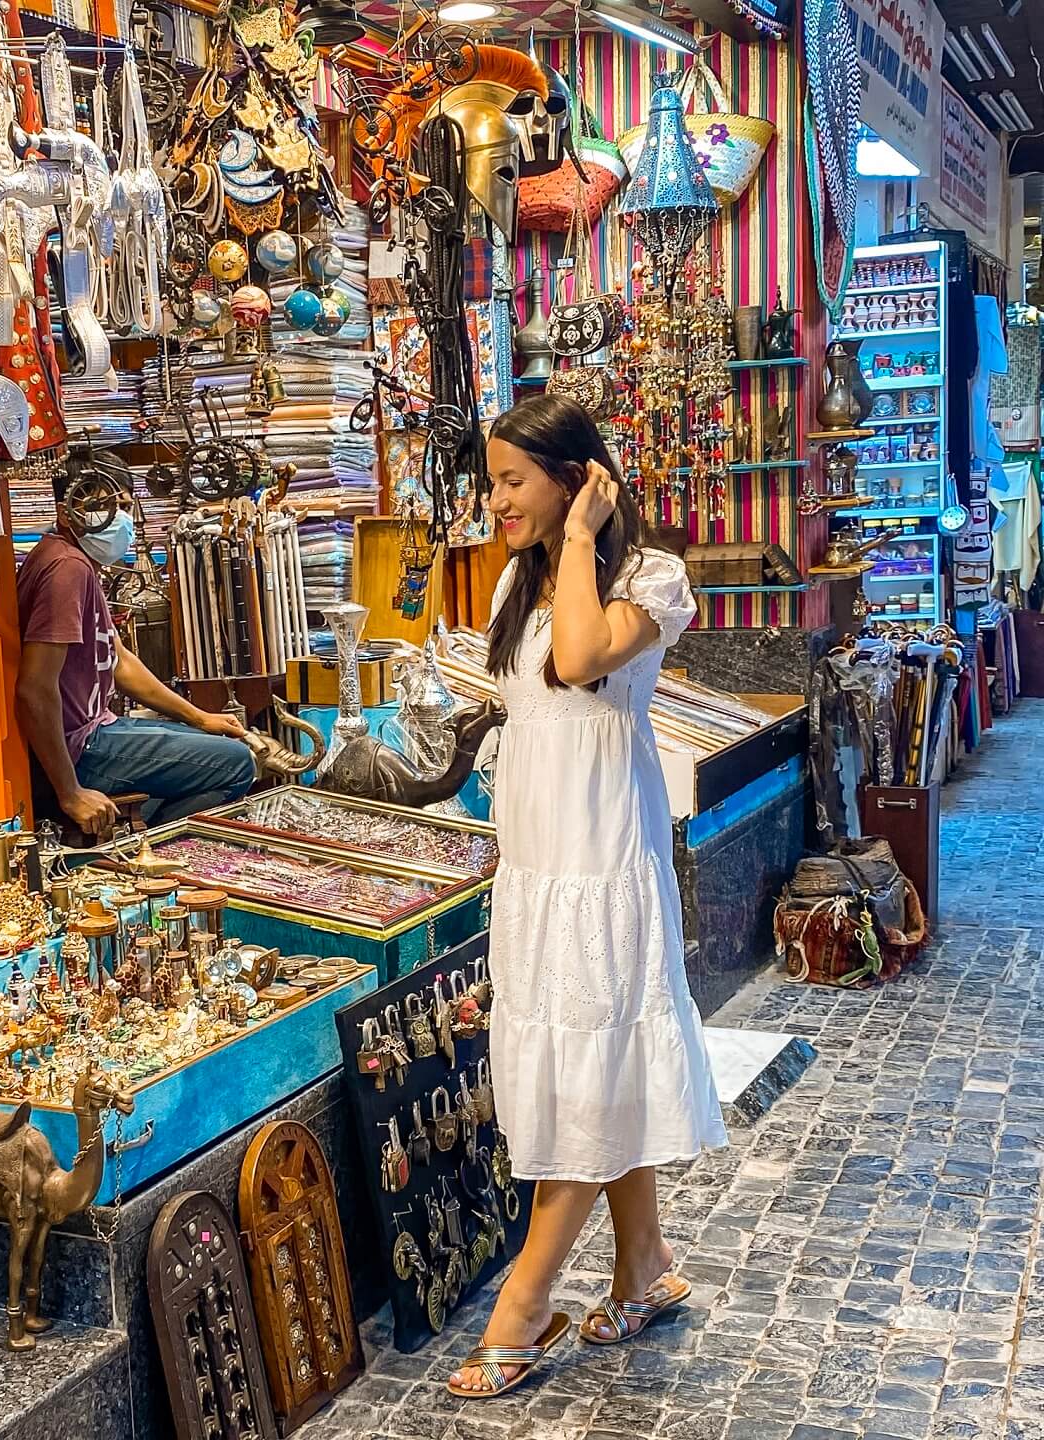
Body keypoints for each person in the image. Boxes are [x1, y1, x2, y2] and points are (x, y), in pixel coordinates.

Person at [449, 395, 726, 1399]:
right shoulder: (515, 588)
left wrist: (576, 539)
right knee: (587, 1053)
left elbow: (580, 662)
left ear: (580, 478)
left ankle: (523, 1304)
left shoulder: (654, 577)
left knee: (591, 1068)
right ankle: (645, 1266)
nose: (498, 502)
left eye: (515, 482)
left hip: (604, 858)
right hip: (539, 859)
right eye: (493, 483)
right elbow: (528, 708)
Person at [15, 473, 255, 836]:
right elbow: (34, 687)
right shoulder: (67, 569)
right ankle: (148, 850)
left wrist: (200, 718)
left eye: (124, 506)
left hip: (99, 728)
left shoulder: (75, 561)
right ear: (66, 514)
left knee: (217, 748)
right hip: (83, 747)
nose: (117, 517)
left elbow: (119, 660)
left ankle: (142, 840)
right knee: (237, 765)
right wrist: (70, 792)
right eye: (100, 507)